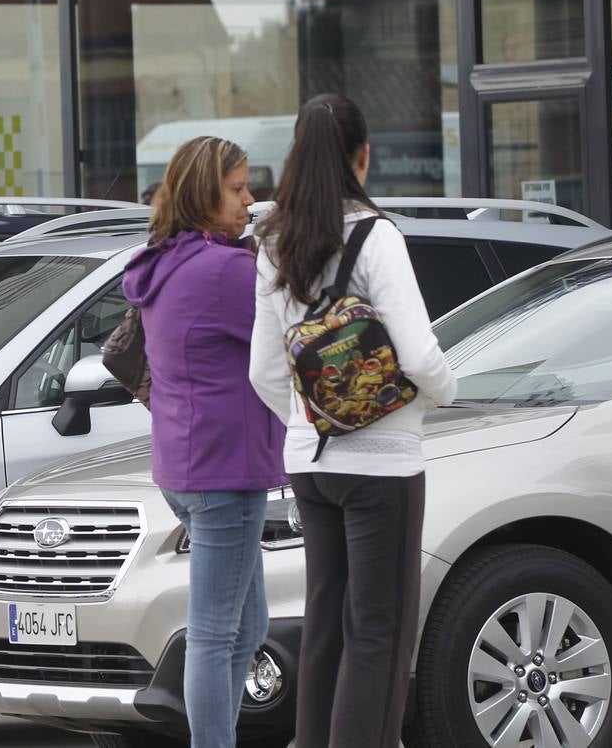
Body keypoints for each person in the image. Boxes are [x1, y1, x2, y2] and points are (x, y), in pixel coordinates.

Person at [248, 94, 458, 748]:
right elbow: (420, 353)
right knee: (380, 630)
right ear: (362, 158)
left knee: (328, 625)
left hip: (310, 463)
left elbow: (263, 371)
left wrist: (310, 419)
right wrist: (443, 394)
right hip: (383, 466)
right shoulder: (376, 235)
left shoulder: (274, 241)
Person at [122, 136, 286, 748]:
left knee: (248, 623)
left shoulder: (166, 259)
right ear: (203, 193)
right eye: (239, 188)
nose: (251, 199)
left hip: (185, 465)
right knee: (217, 631)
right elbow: (289, 336)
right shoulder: (224, 270)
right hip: (226, 469)